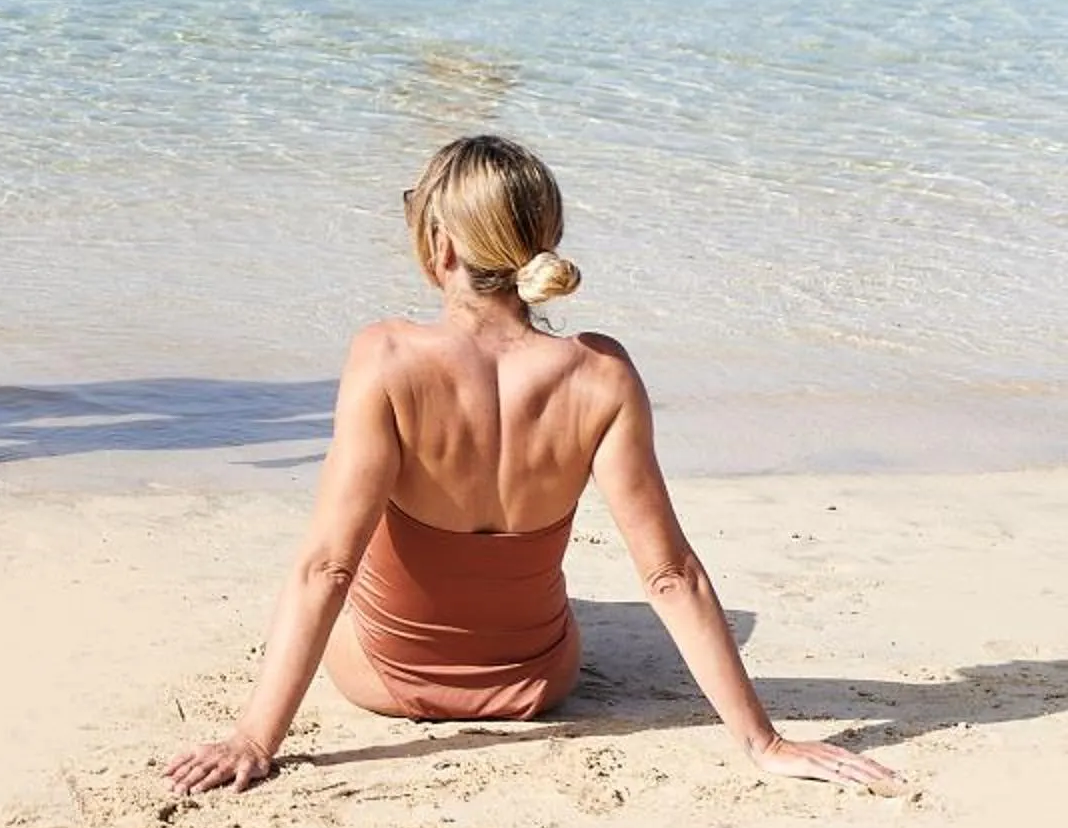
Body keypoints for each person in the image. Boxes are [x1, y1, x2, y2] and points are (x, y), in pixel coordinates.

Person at [164, 134, 901, 794]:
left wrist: (255, 737)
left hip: (384, 681)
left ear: (440, 246)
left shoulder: (385, 358)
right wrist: (762, 742)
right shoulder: (600, 374)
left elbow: (328, 567)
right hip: (538, 684)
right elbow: (670, 575)